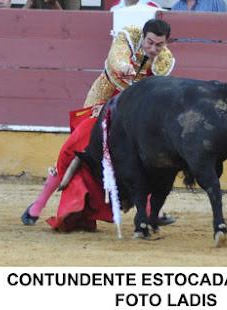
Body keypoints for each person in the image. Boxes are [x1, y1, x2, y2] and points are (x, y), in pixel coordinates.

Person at [22, 19, 176, 232]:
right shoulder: (128, 37)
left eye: (159, 45)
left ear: (166, 43)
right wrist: (126, 68)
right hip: (102, 101)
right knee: (77, 149)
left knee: (145, 157)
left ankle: (151, 210)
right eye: (150, 42)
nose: (153, 49)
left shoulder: (164, 61)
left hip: (130, 113)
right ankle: (39, 204)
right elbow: (116, 60)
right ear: (143, 36)